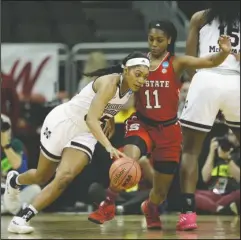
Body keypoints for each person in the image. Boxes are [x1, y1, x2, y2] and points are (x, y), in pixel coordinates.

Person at [88, 20, 232, 229]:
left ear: (169, 40)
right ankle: (108, 203)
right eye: (151, 39)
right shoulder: (138, 64)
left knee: (161, 192)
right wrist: (109, 115)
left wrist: (224, 52)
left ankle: (151, 207)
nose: (154, 44)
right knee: (127, 163)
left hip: (169, 129)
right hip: (142, 123)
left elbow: (209, 62)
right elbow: (120, 92)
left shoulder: (176, 63)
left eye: (159, 40)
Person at [5, 51, 150, 234]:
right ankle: (15, 180)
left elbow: (105, 107)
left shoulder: (129, 89)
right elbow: (91, 119)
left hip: (85, 134)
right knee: (42, 176)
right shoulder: (109, 83)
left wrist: (110, 118)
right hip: (63, 123)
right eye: (138, 74)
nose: (141, 80)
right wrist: (108, 146)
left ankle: (20, 218)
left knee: (64, 178)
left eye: (145, 76)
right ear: (126, 70)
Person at [178, 1, 240, 230]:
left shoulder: (199, 18)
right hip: (236, 80)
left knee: (191, 151)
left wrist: (201, 87)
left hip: (206, 79)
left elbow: (189, 62)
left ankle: (187, 213)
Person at [1, 114, 41, 215]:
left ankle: (8, 208)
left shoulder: (15, 144)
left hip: (15, 192)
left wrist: (5, 145)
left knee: (35, 189)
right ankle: (9, 209)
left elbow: (18, 166)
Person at [195, 131, 240, 216]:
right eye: (228, 134)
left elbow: (239, 177)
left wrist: (228, 160)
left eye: (233, 134)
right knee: (193, 194)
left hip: (232, 193)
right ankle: (220, 208)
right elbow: (205, 177)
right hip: (215, 194)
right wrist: (212, 152)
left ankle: (212, 207)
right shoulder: (217, 154)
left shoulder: (238, 154)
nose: (229, 138)